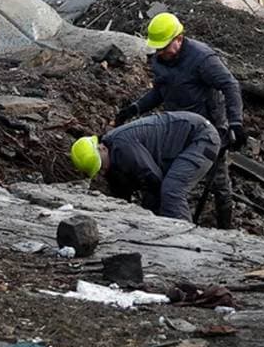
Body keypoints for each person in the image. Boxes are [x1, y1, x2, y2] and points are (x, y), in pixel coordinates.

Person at [115, 13, 246, 228]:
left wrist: (235, 123)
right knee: (170, 181)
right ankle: (162, 224)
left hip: (208, 131)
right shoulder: (160, 59)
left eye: (165, 47)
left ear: (179, 38)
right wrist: (135, 108)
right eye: (158, 48)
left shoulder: (202, 59)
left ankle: (225, 228)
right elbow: (160, 92)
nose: (161, 53)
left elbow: (230, 85)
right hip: (176, 131)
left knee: (218, 181)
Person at [71, 111, 221, 222]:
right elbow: (121, 192)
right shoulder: (112, 153)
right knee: (156, 197)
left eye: (101, 166)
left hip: (200, 138)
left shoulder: (123, 148)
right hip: (177, 145)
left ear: (102, 148)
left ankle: (186, 241)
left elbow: (153, 178)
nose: (103, 171)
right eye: (99, 170)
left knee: (171, 191)